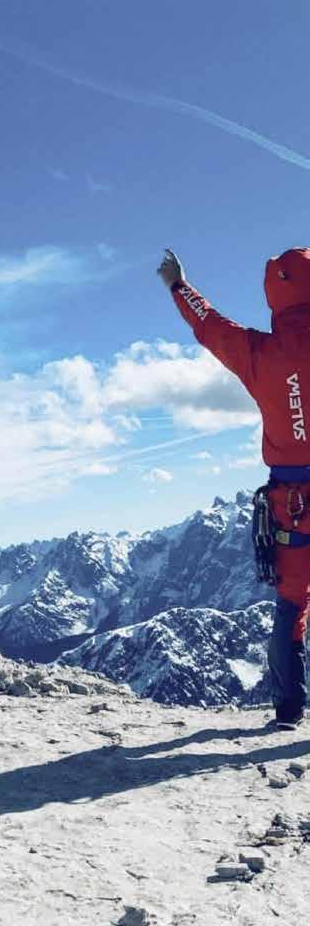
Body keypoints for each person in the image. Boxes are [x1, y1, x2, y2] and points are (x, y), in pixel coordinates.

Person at [158, 247, 310, 730]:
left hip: (292, 506)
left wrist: (179, 286)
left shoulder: (257, 354)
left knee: (292, 604)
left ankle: (289, 709)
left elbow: (210, 326)